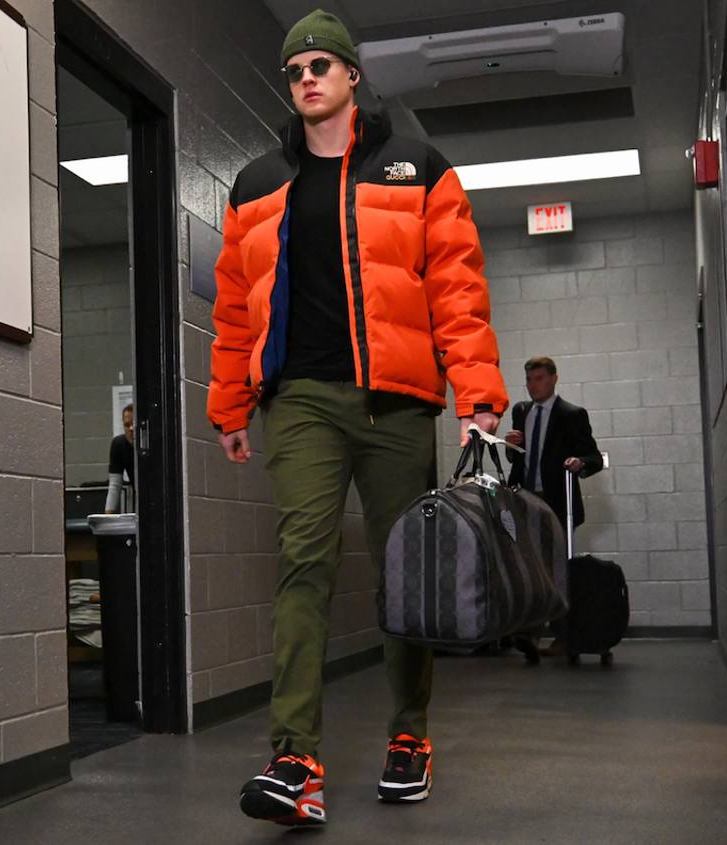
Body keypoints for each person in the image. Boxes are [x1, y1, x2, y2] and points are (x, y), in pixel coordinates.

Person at [207, 8, 508, 827]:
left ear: (351, 78)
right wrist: (231, 401)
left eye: (320, 66)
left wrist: (478, 396)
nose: (307, 78)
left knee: (401, 569)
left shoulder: (417, 167)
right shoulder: (258, 182)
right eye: (295, 69)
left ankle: (409, 733)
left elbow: (457, 288)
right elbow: (237, 309)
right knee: (302, 557)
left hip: (398, 402)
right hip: (299, 397)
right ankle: (293, 757)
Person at [504, 356, 604, 662]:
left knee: (556, 569)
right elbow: (518, 460)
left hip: (557, 501)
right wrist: (510, 447)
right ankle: (529, 633)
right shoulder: (521, 411)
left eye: (539, 379)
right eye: (530, 380)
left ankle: (562, 635)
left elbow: (593, 457)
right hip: (524, 499)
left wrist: (579, 463)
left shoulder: (572, 414)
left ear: (554, 379)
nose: (534, 385)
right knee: (528, 566)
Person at [105, 403, 136, 514]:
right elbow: (115, 485)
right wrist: (108, 515)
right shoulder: (119, 444)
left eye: (134, 423)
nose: (131, 428)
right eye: (127, 425)